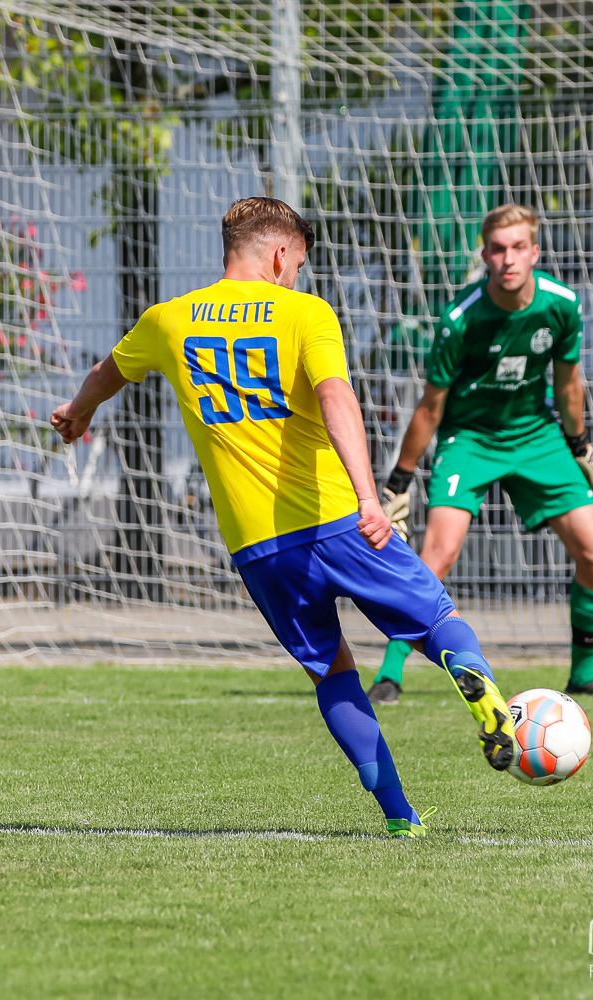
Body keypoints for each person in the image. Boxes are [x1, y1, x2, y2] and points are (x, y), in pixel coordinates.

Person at [50, 197, 514, 839]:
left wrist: (79, 411)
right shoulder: (304, 312)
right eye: (297, 261)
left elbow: (109, 371)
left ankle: (401, 818)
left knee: (331, 670)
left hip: (259, 546)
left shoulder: (168, 320)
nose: (297, 273)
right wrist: (370, 496)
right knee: (436, 619)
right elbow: (335, 395)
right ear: (277, 254)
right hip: (336, 517)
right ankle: (473, 682)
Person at [367, 204, 593, 707]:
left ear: (535, 252)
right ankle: (389, 674)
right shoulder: (460, 319)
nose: (508, 259)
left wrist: (580, 445)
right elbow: (431, 406)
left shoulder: (562, 305)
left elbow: (569, 384)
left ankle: (584, 674)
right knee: (437, 557)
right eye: (498, 249)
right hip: (470, 440)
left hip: (537, 435)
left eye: (518, 247)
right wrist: (399, 480)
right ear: (484, 256)